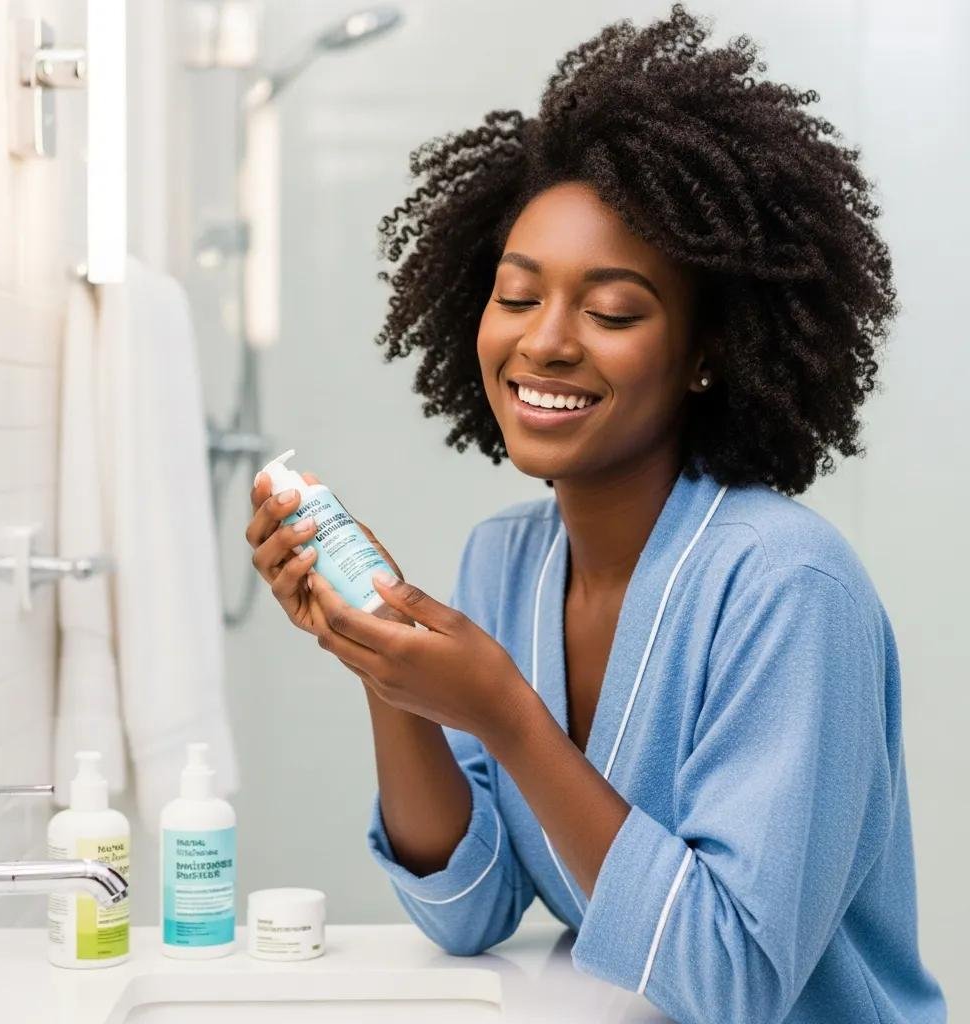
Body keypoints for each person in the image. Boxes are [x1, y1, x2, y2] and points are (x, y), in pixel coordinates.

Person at [246, 5, 946, 1021]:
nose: (546, 343)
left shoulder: (787, 588)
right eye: (517, 295)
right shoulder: (509, 561)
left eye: (612, 310)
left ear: (710, 350)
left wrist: (506, 716)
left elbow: (733, 980)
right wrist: (383, 657)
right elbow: (470, 907)